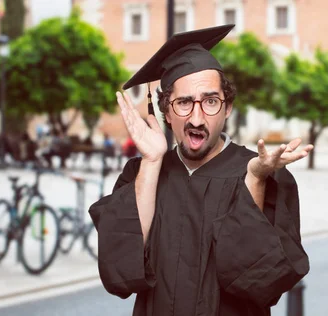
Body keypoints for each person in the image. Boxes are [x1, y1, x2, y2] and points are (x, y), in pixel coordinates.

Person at [89, 24, 313, 316]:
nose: (197, 117)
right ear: (166, 112)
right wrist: (152, 162)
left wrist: (255, 179)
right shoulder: (143, 173)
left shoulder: (263, 174)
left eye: (210, 101)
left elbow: (262, 284)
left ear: (227, 107)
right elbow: (120, 270)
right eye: (183, 103)